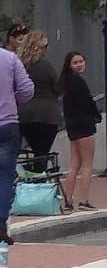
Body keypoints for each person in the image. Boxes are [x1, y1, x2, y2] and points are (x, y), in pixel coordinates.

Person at [0, 34, 35, 245]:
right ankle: (0, 223)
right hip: (7, 123)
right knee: (5, 176)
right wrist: (13, 100)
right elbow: (27, 90)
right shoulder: (9, 58)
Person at [58, 51, 100, 212]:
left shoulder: (66, 82)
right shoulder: (79, 82)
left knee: (74, 163)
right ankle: (84, 200)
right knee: (87, 164)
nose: (80, 64)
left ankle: (68, 201)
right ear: (69, 65)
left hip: (72, 126)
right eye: (75, 62)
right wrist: (96, 115)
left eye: (81, 61)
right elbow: (87, 103)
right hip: (84, 125)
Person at [17, 31, 62, 175]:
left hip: (24, 114)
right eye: (46, 46)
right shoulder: (46, 66)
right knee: (42, 152)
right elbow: (58, 88)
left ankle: (32, 174)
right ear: (39, 47)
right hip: (47, 115)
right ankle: (38, 178)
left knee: (35, 149)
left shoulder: (19, 65)